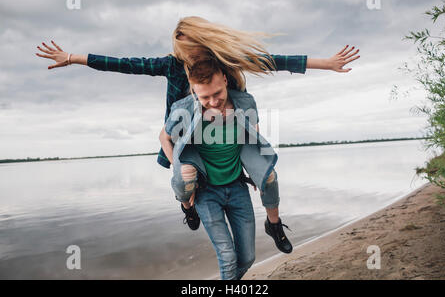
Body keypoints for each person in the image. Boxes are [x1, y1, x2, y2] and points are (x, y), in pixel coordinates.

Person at [35, 16, 360, 250]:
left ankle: (274, 225)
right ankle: (188, 207)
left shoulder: (222, 62)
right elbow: (123, 63)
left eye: (194, 52)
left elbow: (272, 60)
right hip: (189, 139)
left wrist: (325, 63)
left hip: (231, 135)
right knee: (186, 181)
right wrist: (73, 58)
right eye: (186, 54)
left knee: (268, 175)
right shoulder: (170, 65)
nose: (191, 59)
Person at [160, 57, 287, 279]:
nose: (213, 101)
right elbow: (164, 137)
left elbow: (254, 136)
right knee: (227, 257)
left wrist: (255, 170)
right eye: (204, 97)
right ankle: (186, 206)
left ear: (226, 80)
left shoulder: (245, 101)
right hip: (206, 192)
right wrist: (177, 168)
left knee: (247, 258)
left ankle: (274, 225)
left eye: (217, 93)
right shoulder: (183, 108)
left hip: (237, 188)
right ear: (193, 91)